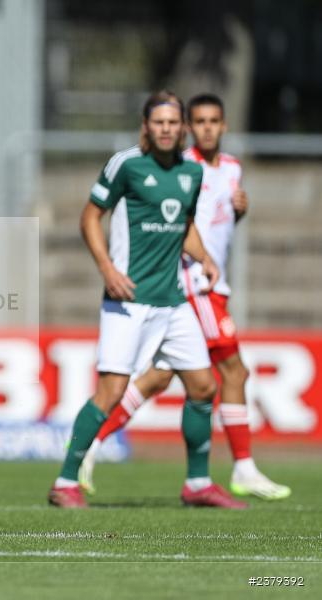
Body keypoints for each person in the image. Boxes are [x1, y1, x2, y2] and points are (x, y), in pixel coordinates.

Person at [78, 94, 290, 501]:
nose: (208, 128)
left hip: (211, 279)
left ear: (225, 125)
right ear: (188, 127)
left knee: (161, 377)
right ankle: (242, 468)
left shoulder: (231, 168)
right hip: (192, 284)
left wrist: (239, 212)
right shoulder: (179, 164)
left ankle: (94, 446)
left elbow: (210, 221)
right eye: (200, 121)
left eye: (215, 121)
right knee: (233, 371)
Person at [49, 90, 247, 510]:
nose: (166, 129)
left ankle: (197, 483)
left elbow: (185, 224)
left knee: (203, 386)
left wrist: (207, 259)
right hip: (130, 299)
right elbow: (89, 216)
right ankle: (65, 480)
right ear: (146, 126)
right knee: (111, 391)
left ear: (183, 129)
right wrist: (106, 269)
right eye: (159, 122)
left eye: (173, 123)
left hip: (173, 301)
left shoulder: (191, 173)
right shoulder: (127, 165)